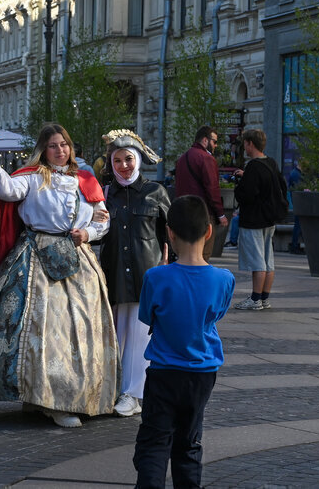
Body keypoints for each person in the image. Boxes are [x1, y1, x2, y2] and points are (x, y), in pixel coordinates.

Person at [0, 124, 118, 428]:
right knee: (41, 330)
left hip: (78, 258)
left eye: (64, 144)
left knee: (79, 332)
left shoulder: (86, 180)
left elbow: (103, 220)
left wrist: (87, 233)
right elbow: (5, 190)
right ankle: (45, 398)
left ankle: (72, 395)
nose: (60, 150)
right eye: (53, 146)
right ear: (43, 150)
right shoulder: (33, 177)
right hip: (35, 257)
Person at [132, 195, 235, 489]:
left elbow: (147, 317)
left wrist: (164, 272)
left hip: (164, 371)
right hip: (202, 373)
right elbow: (216, 314)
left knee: (154, 441)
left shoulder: (156, 277)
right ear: (209, 231)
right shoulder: (224, 279)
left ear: (170, 233)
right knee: (189, 442)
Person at [98, 130, 170, 418]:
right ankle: (117, 388)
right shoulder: (104, 195)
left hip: (147, 274)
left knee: (142, 336)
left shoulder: (155, 192)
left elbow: (170, 234)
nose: (124, 166)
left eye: (128, 159)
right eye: (117, 161)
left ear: (138, 159)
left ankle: (134, 393)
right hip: (114, 274)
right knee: (118, 335)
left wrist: (173, 268)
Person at [232, 129, 284, 311]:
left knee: (257, 261)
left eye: (245, 143)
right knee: (268, 261)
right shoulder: (271, 163)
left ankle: (255, 299)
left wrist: (239, 185)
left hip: (253, 220)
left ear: (250, 144)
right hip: (269, 219)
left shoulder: (253, 166)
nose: (244, 147)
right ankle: (264, 298)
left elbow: (246, 195)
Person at [174, 125, 229, 260]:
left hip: (183, 213)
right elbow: (212, 188)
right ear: (205, 140)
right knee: (203, 255)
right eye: (214, 141)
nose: (216, 145)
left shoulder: (182, 158)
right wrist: (220, 214)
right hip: (202, 214)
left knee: (185, 255)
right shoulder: (206, 158)